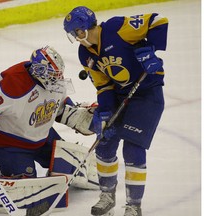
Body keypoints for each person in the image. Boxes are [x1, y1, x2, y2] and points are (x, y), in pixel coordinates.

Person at [0, 45, 99, 214]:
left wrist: (85, 117)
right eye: (53, 76)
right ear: (39, 71)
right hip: (10, 147)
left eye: (58, 75)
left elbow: (60, 110)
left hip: (43, 137)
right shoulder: (13, 83)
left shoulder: (55, 82)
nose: (57, 80)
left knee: (74, 168)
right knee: (27, 192)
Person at [63, 6, 168, 216]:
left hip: (146, 94)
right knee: (104, 145)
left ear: (83, 28)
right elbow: (103, 86)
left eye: (76, 32)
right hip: (121, 97)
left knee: (133, 148)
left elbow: (158, 20)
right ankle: (107, 196)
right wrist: (105, 112)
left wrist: (151, 51)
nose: (75, 37)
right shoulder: (85, 53)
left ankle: (133, 206)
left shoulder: (117, 28)